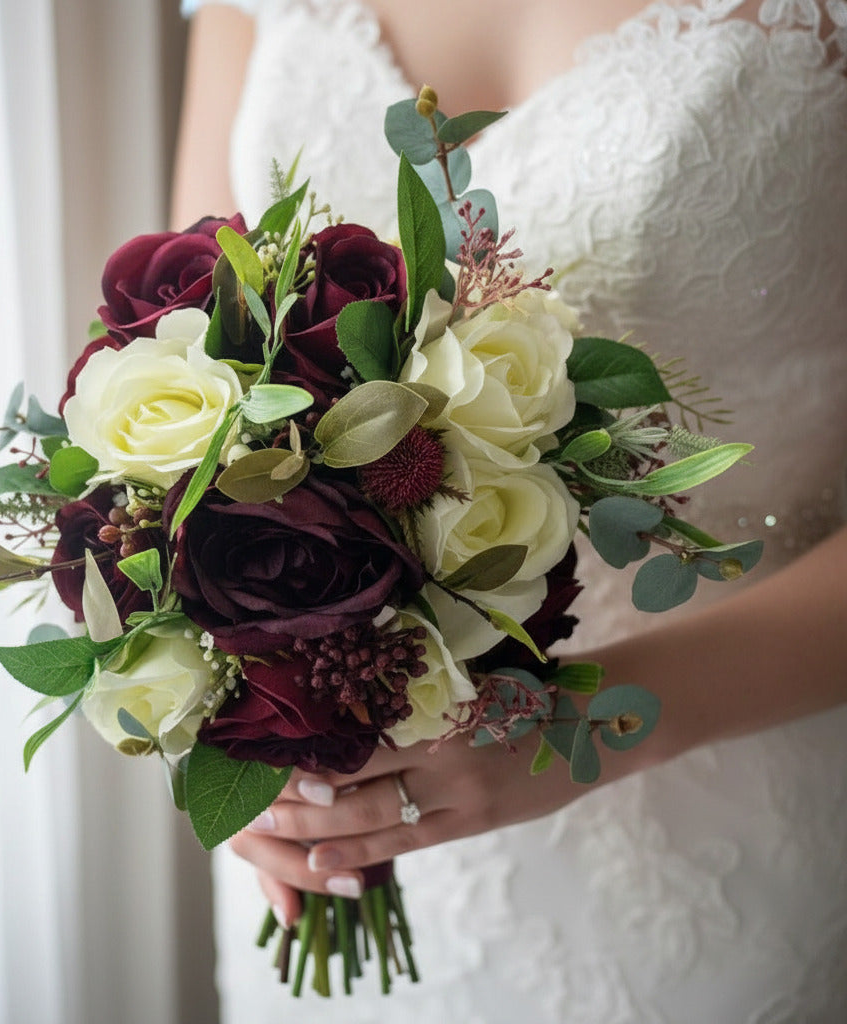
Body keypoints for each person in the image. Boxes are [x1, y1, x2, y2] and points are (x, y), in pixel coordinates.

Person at [172, 1, 847, 1020]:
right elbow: (194, 358)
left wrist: (589, 723)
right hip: (338, 826)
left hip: (728, 817)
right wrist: (233, 704)